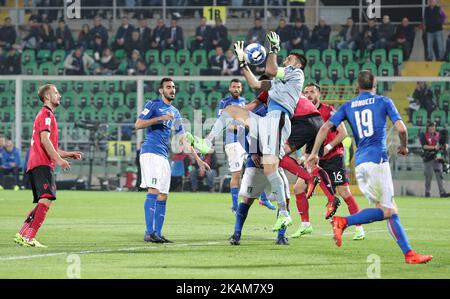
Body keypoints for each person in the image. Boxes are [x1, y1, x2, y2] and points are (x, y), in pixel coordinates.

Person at [306, 70, 433, 264]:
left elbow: (324, 128)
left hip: (360, 163)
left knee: (390, 209)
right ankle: (344, 221)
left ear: (357, 86)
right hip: (377, 162)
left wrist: (314, 152)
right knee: (388, 211)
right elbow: (401, 129)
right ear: (375, 85)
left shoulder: (348, 105)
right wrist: (404, 147)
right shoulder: (384, 101)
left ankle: (409, 254)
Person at [191, 32, 305, 231]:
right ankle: (206, 143)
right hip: (267, 121)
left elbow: (270, 67)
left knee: (270, 169)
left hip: (278, 121)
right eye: (285, 58)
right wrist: (243, 62)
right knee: (230, 111)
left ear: (297, 64)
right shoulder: (277, 83)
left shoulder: (296, 74)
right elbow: (254, 83)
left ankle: (284, 214)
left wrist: (274, 49)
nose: (286, 60)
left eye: (290, 59)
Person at [135, 77, 210, 244]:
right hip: (150, 152)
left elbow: (183, 139)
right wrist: (159, 119)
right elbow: (138, 124)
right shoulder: (152, 105)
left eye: (174, 87)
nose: (172, 90)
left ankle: (158, 233)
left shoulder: (175, 112)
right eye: (168, 87)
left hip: (163, 155)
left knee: (163, 195)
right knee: (153, 191)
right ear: (161, 90)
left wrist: (198, 160)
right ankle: (149, 232)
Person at [291, 82, 365, 241]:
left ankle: (359, 227)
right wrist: (304, 155)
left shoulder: (328, 110)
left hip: (333, 157)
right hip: (314, 159)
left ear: (319, 94)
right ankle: (305, 225)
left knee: (344, 193)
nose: (309, 95)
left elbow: (343, 133)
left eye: (312, 92)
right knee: (298, 187)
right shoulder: (305, 113)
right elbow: (309, 138)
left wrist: (329, 146)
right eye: (306, 92)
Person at [13, 84, 83, 248]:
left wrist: (68, 154)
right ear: (47, 97)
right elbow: (44, 141)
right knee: (47, 199)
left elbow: (49, 144)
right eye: (56, 93)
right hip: (42, 163)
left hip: (39, 162)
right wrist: (59, 160)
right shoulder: (46, 114)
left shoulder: (46, 115)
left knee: (44, 200)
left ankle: (23, 233)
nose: (59, 95)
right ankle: (29, 237)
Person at [229, 101, 289, 246]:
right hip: (255, 164)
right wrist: (253, 152)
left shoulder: (283, 112)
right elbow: (241, 133)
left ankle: (281, 236)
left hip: (274, 163)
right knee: (247, 200)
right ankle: (236, 234)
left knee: (285, 200)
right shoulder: (258, 111)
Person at [217, 79, 248, 212]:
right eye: (234, 87)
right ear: (230, 88)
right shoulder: (224, 103)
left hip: (245, 141)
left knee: (253, 169)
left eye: (238, 87)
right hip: (232, 142)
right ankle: (235, 206)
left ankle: (260, 198)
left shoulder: (245, 101)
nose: (236, 89)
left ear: (241, 89)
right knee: (236, 174)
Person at [419, 122, 449, 198]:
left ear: (435, 127)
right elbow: (424, 146)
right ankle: (427, 192)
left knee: (440, 175)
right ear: (427, 128)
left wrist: (445, 146)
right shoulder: (423, 135)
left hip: (438, 156)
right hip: (428, 157)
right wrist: (434, 147)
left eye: (433, 127)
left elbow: (444, 144)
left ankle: (442, 192)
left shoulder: (439, 135)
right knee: (428, 176)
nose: (432, 128)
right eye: (430, 127)